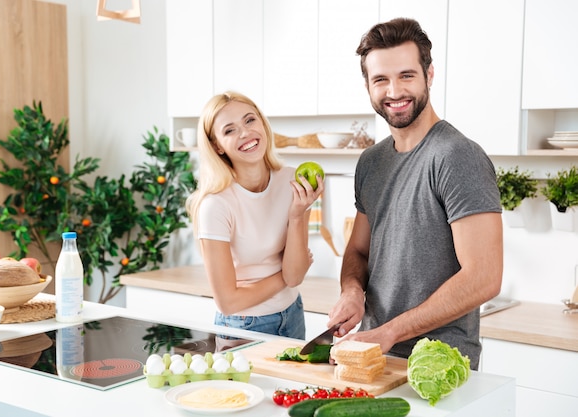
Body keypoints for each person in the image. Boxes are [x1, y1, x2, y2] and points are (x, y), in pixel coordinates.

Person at [326, 18, 503, 369]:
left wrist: (389, 332)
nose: (394, 91)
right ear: (368, 86)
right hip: (374, 355)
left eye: (406, 76)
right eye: (381, 79)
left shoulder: (456, 156)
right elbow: (359, 250)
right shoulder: (371, 161)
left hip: (439, 363)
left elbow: (484, 277)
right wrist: (352, 292)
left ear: (429, 75)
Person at [186, 91, 324, 340]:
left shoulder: (293, 181)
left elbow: (296, 276)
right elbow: (228, 302)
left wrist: (297, 215)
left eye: (250, 120)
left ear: (262, 123)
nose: (245, 133)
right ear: (217, 145)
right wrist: (283, 277)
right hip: (244, 326)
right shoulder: (216, 205)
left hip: (293, 313)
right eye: (229, 130)